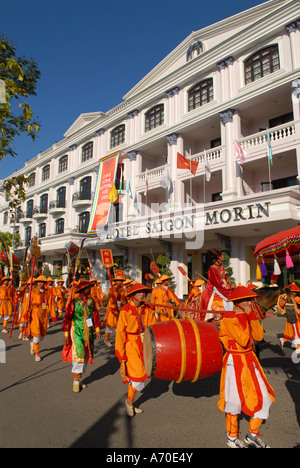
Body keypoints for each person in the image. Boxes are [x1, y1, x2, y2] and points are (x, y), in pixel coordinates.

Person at [218, 284, 275, 448]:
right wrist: (245, 316)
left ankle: (252, 435)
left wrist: (251, 316)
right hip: (234, 362)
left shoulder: (246, 315)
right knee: (234, 402)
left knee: (265, 398)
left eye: (251, 299)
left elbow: (257, 336)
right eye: (248, 300)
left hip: (250, 361)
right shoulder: (229, 319)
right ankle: (232, 437)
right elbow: (243, 340)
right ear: (238, 302)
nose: (251, 303)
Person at [115, 282, 156, 416]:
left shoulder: (148, 309)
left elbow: (152, 327)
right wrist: (120, 353)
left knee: (144, 373)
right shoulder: (125, 310)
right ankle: (129, 402)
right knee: (137, 375)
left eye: (144, 292)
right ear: (133, 296)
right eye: (139, 292)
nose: (143, 295)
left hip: (144, 343)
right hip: (131, 344)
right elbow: (120, 333)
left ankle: (130, 402)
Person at [62, 279, 101, 393]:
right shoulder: (73, 302)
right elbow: (68, 317)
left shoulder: (91, 301)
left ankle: (79, 380)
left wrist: (97, 329)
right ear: (83, 290)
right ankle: (75, 381)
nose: (90, 289)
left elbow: (95, 315)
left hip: (88, 331)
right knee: (78, 355)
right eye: (88, 288)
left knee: (86, 356)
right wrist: (66, 333)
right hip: (76, 330)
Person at [26, 275, 58, 361]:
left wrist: (53, 315)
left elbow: (51, 304)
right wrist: (26, 314)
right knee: (36, 333)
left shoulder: (47, 292)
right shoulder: (32, 291)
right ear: (36, 283)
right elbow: (27, 304)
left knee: (42, 335)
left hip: (44, 314)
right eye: (39, 282)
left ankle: (33, 343)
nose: (40, 284)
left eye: (42, 282)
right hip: (35, 313)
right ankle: (37, 354)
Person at [201, 250, 234, 316]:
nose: (223, 257)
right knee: (230, 300)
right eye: (222, 256)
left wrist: (227, 281)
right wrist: (229, 287)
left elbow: (223, 279)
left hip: (222, 286)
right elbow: (217, 283)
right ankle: (229, 315)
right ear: (218, 258)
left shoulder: (222, 267)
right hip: (216, 288)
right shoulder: (212, 268)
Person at [277, 283, 300, 356]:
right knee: (295, 332)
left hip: (291, 317)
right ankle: (297, 347)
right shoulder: (290, 299)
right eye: (295, 292)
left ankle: (283, 339)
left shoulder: (287, 298)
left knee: (292, 332)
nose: (296, 293)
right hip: (293, 318)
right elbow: (296, 310)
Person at [103, 275, 127, 347]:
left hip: (120, 309)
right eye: (118, 281)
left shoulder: (123, 290)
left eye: (121, 281)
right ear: (115, 282)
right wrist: (114, 310)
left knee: (120, 326)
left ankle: (119, 340)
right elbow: (110, 301)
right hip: (112, 310)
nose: (120, 282)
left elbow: (125, 299)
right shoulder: (111, 290)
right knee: (110, 325)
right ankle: (106, 339)